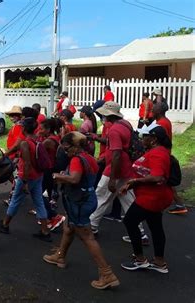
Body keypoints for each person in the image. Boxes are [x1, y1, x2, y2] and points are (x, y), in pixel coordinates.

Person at [43, 131, 120, 290]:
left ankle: (107, 274)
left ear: (75, 146)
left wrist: (58, 176)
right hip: (87, 198)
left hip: (78, 202)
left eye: (66, 148)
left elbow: (75, 179)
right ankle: (60, 256)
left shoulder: (77, 160)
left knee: (87, 237)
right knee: (69, 227)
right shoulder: (89, 157)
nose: (65, 151)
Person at [89, 102, 148, 242]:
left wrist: (112, 179)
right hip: (126, 167)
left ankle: (91, 226)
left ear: (108, 115)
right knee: (128, 200)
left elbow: (116, 155)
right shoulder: (125, 124)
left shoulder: (114, 130)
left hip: (115, 169)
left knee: (101, 196)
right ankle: (139, 232)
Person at [120, 124, 173, 274]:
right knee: (155, 227)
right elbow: (146, 173)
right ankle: (159, 262)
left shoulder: (158, 153)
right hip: (151, 196)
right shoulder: (155, 151)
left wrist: (134, 182)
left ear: (154, 139)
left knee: (130, 221)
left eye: (145, 136)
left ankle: (140, 259)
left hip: (151, 197)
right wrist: (131, 185)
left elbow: (157, 176)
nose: (142, 139)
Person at [0, 117, 52, 242]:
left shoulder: (26, 143)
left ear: (24, 128)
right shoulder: (37, 140)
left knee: (15, 200)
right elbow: (17, 150)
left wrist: (24, 182)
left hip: (27, 177)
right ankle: (45, 230)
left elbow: (26, 164)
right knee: (39, 202)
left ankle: (5, 224)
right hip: (38, 176)